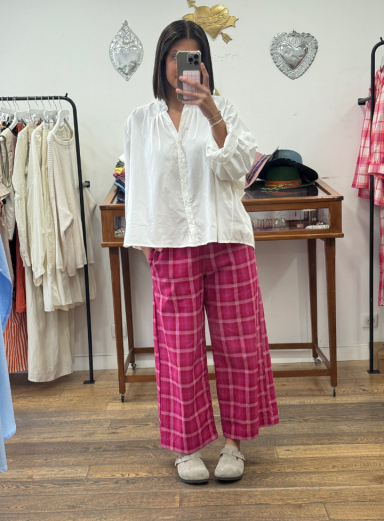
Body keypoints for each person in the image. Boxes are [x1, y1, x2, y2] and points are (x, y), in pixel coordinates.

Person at [123, 19, 279, 484]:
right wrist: (147, 244)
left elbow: (237, 170)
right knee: (178, 351)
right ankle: (186, 446)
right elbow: (137, 189)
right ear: (162, 62)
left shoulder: (223, 109)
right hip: (171, 247)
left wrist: (212, 113)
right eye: (175, 56)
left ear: (205, 65)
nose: (182, 66)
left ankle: (234, 444)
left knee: (239, 347)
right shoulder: (140, 120)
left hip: (226, 239)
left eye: (192, 57)